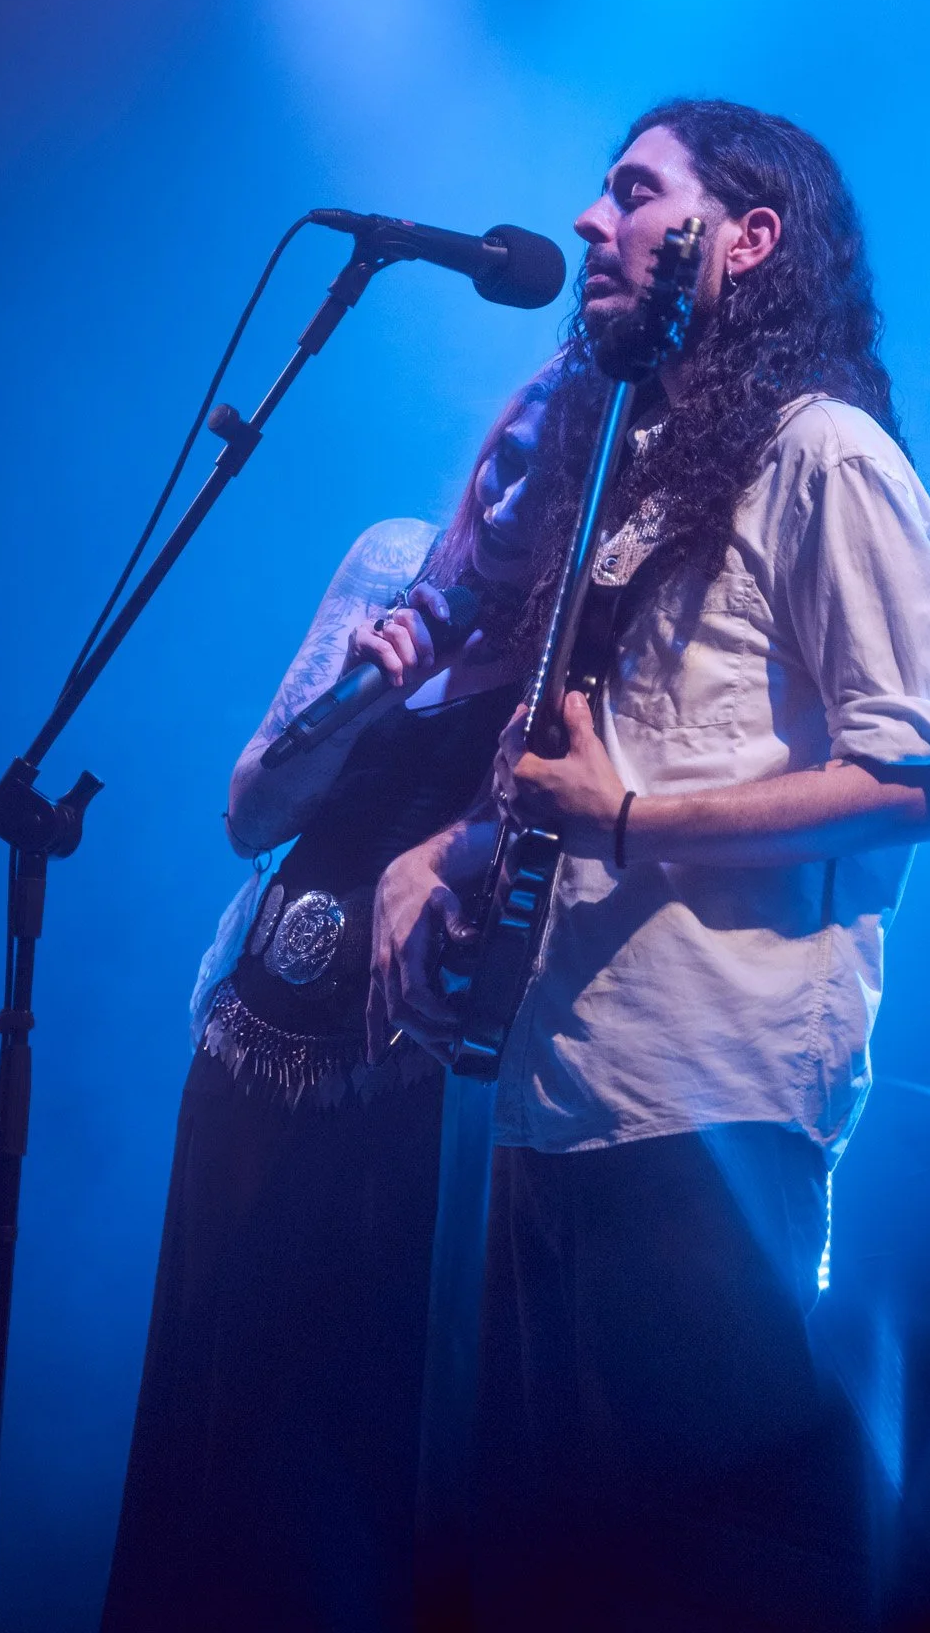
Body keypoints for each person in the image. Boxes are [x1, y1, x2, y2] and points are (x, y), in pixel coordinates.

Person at [368, 100, 930, 1630]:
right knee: (542, 1572)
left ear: (744, 235)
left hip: (710, 1097)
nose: (590, 221)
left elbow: (916, 775)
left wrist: (633, 823)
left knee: (698, 1579)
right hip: (554, 1094)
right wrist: (439, 854)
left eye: (633, 192)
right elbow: (608, 748)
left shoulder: (825, 457)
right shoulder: (637, 473)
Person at [100, 367, 554, 1633]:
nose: (508, 491)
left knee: (320, 1444)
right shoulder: (396, 562)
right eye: (500, 457)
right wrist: (358, 696)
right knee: (199, 1394)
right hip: (244, 1049)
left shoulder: (577, 639)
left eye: (546, 470)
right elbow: (250, 812)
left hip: (398, 1089)